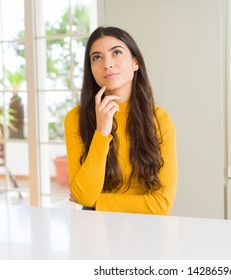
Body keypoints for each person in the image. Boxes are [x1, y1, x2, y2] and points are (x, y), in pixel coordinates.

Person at [65, 26, 177, 215]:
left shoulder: (160, 120)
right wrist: (101, 133)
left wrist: (97, 202)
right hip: (95, 233)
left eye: (116, 52)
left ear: (135, 62)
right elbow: (84, 196)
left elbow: (161, 205)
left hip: (147, 233)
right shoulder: (76, 119)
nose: (107, 64)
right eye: (97, 57)